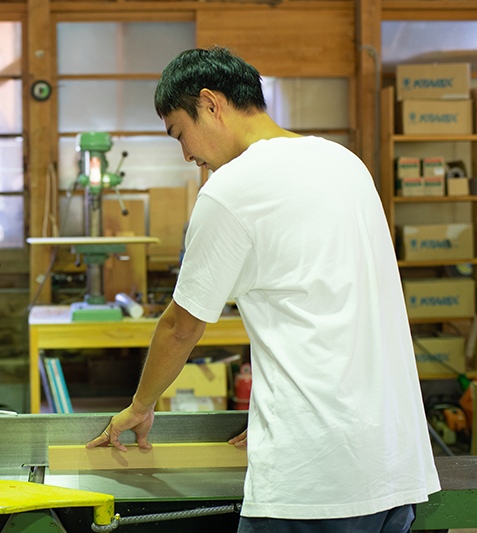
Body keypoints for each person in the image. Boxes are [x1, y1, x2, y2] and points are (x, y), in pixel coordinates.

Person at [86, 46, 440, 532]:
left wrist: (140, 407)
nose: (187, 155)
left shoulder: (231, 190)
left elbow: (181, 327)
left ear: (210, 104)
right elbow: (337, 310)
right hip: (394, 467)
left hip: (313, 486)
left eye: (179, 133)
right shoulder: (345, 164)